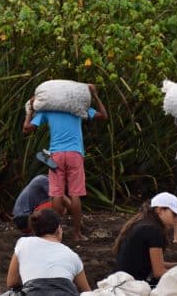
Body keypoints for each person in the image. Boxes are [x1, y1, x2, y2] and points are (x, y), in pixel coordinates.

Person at [22, 83, 108, 241]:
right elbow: (103, 116)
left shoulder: (48, 110)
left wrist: (30, 110)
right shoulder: (78, 108)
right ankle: (77, 234)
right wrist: (94, 95)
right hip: (75, 154)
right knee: (75, 194)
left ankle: (54, 233)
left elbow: (26, 128)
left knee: (57, 193)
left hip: (56, 155)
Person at [6, 208, 90, 295]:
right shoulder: (73, 256)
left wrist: (29, 280)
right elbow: (87, 292)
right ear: (58, 229)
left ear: (34, 230)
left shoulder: (23, 243)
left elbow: (12, 282)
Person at [113, 192, 177, 286]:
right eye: (174, 214)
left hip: (120, 281)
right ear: (159, 210)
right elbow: (158, 272)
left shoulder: (142, 224)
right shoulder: (154, 231)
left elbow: (150, 262)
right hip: (133, 285)